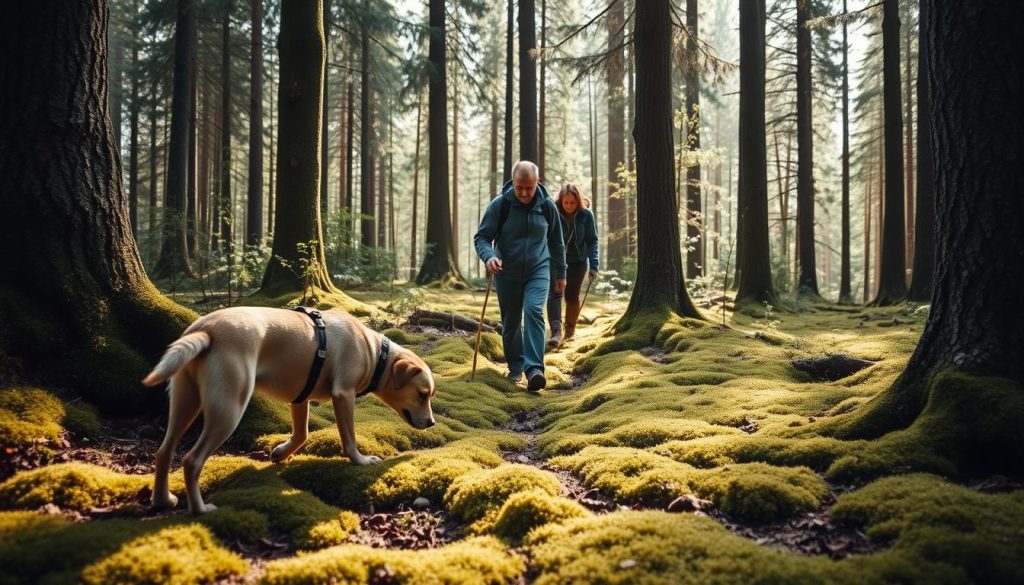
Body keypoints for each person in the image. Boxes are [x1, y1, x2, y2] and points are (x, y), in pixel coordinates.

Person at [474, 161, 566, 392]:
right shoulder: (500, 205)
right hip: (507, 273)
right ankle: (515, 367)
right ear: (513, 183)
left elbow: (557, 242)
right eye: (519, 188)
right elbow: (482, 237)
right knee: (512, 322)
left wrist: (561, 273)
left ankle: (535, 369)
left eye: (529, 188)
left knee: (534, 310)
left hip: (538, 270)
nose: (524, 193)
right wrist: (489, 257)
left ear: (537, 183)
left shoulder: (547, 207)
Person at [546, 183, 599, 348]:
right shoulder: (553, 212)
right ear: (560, 201)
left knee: (572, 296)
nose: (569, 206)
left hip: (578, 261)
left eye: (572, 203)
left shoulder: (586, 215)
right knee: (555, 293)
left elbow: (592, 241)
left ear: (578, 201)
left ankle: (570, 331)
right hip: (555, 260)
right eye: (565, 202)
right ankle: (556, 332)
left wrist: (594, 265)